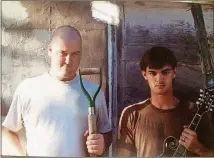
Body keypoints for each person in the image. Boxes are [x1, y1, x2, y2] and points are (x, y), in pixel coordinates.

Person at [2, 25, 112, 157]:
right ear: (50, 50)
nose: (68, 61)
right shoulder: (28, 88)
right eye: (63, 53)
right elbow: (8, 131)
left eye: (75, 54)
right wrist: (19, 154)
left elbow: (107, 132)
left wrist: (103, 142)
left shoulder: (93, 92)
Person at [117, 46, 214, 157]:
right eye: (153, 73)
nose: (159, 79)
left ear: (174, 72)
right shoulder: (132, 114)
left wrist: (198, 148)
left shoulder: (196, 113)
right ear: (144, 75)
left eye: (165, 72)